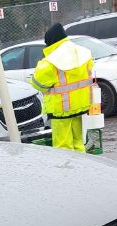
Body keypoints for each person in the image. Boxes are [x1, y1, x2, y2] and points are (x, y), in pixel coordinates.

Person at [30, 23, 94, 152]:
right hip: (82, 106)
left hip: (61, 109)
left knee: (63, 147)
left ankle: (68, 171)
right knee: (79, 142)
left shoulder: (50, 62)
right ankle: (83, 169)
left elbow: (38, 84)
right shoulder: (83, 53)